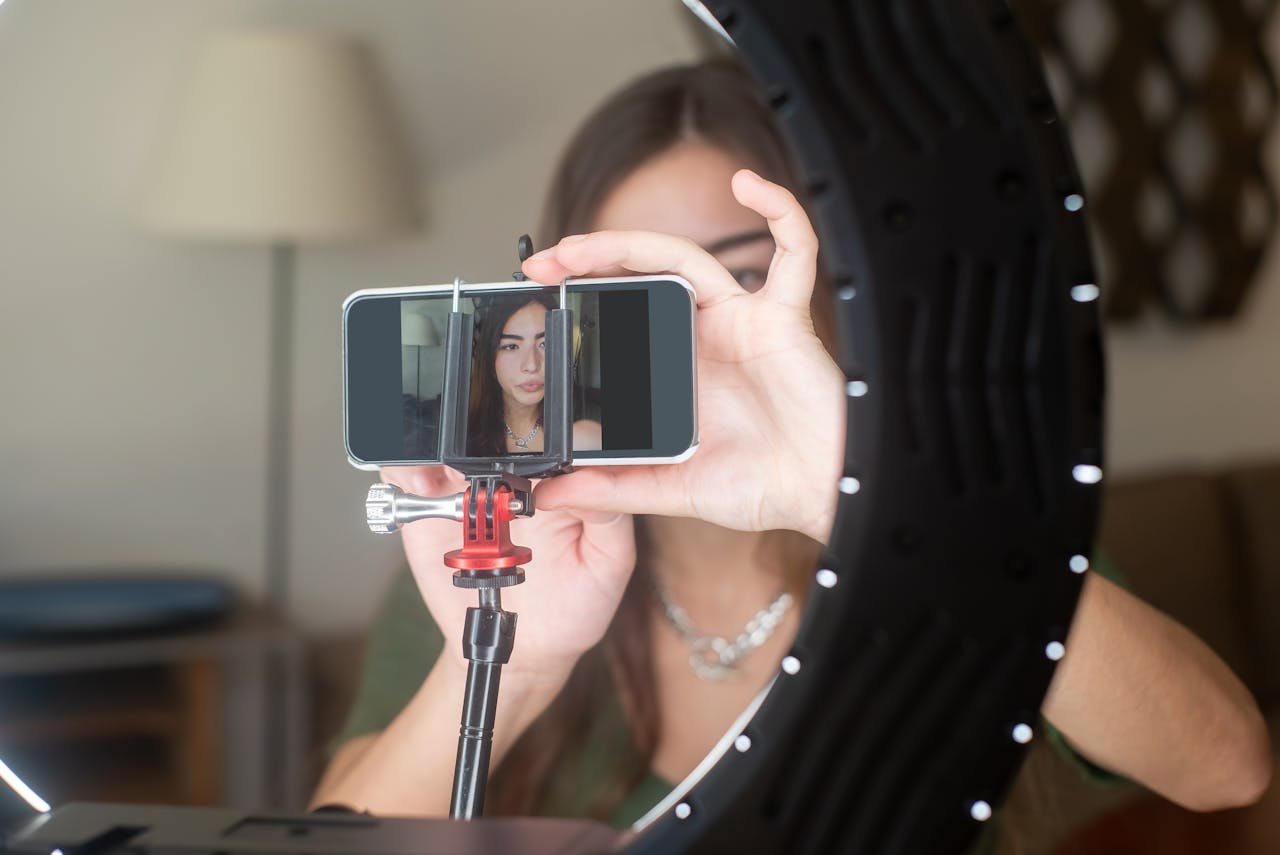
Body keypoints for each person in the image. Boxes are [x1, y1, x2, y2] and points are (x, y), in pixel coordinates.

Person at [314, 59, 1271, 840]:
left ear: (825, 284)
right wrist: (510, 670)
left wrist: (859, 495)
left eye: (737, 276)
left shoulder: (949, 515)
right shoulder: (499, 541)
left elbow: (1226, 767)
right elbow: (334, 834)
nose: (690, 333)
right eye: (637, 292)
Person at [466, 291, 602, 456]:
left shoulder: (583, 435)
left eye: (545, 344)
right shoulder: (457, 437)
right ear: (489, 356)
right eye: (511, 346)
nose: (531, 365)